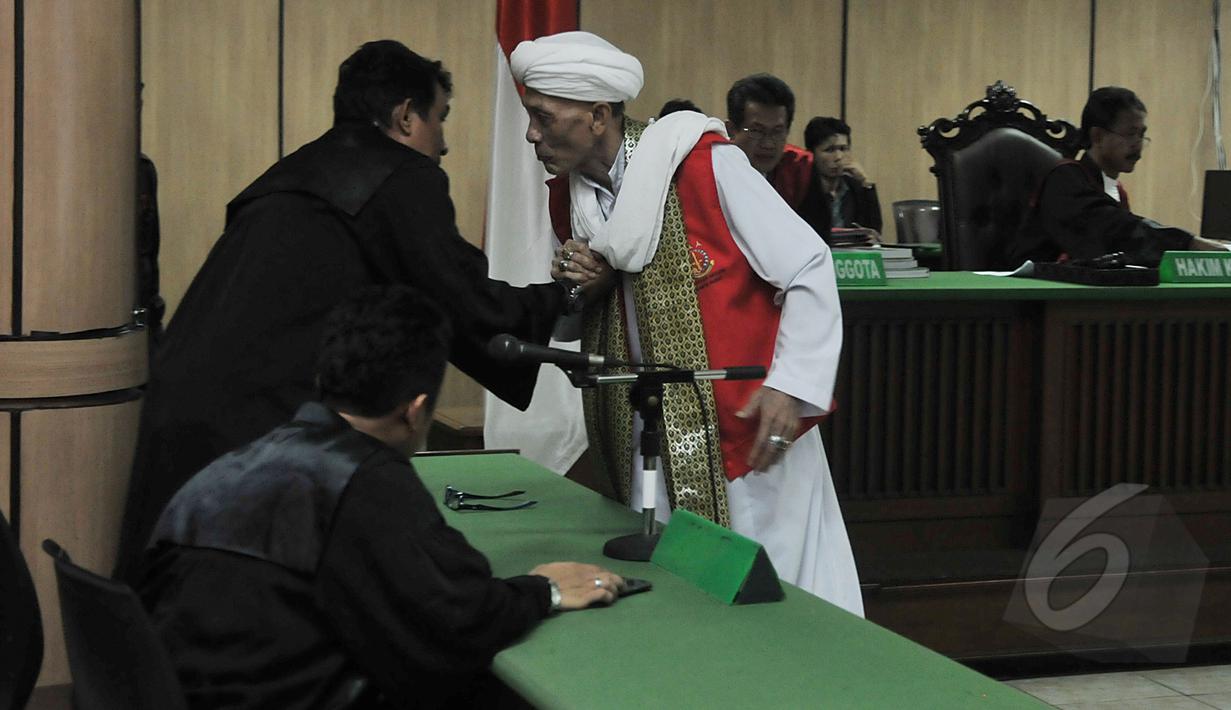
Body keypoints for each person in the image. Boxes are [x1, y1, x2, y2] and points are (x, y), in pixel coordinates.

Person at [115, 40, 569, 582]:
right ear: (406, 116)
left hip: (180, 420)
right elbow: (467, 302)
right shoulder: (399, 176)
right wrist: (567, 297)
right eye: (440, 118)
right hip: (257, 439)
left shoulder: (289, 174)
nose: (444, 143)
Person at [140, 286, 624, 709]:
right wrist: (545, 589)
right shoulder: (363, 479)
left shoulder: (233, 465)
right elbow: (458, 617)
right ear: (414, 411)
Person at [512, 31, 863, 615]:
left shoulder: (702, 164)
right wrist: (579, 288)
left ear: (597, 116)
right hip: (646, 435)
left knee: (780, 598)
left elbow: (807, 265)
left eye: (543, 118)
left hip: (747, 431)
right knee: (675, 601)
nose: (531, 134)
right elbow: (585, 319)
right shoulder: (569, 197)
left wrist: (790, 386)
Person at [1015, 86, 1230, 266]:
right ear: (1097, 136)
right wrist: (1189, 243)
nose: (1137, 144)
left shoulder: (1117, 191)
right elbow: (1116, 233)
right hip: (1034, 295)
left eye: (1142, 135)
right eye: (1130, 134)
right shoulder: (1064, 179)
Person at [724, 74, 815, 218]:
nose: (768, 144)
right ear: (731, 130)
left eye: (777, 132)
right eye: (757, 131)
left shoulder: (799, 172)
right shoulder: (712, 176)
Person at [800, 116, 882, 240]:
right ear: (811, 154)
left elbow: (875, 231)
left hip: (853, 251)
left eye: (843, 149)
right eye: (829, 150)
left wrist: (866, 183)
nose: (838, 157)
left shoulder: (855, 187)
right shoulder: (802, 189)